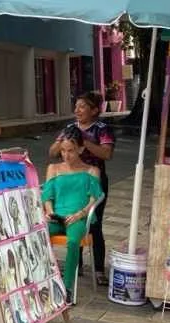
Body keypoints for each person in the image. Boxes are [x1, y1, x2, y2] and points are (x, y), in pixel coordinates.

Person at [48, 91, 115, 286]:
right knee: (68, 217)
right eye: (76, 106)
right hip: (69, 182)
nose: (77, 110)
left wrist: (83, 142)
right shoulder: (69, 128)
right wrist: (66, 141)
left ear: (94, 110)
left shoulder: (102, 129)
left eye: (82, 106)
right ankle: (75, 265)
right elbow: (52, 152)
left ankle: (99, 269)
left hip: (92, 180)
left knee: (94, 224)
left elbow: (106, 153)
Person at [42, 130, 103, 300]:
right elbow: (47, 195)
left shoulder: (92, 171)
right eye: (63, 151)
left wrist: (80, 214)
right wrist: (49, 212)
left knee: (74, 241)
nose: (66, 155)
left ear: (81, 149)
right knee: (38, 235)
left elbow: (94, 199)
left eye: (71, 151)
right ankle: (41, 279)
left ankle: (67, 287)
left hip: (78, 217)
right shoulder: (53, 168)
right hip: (57, 216)